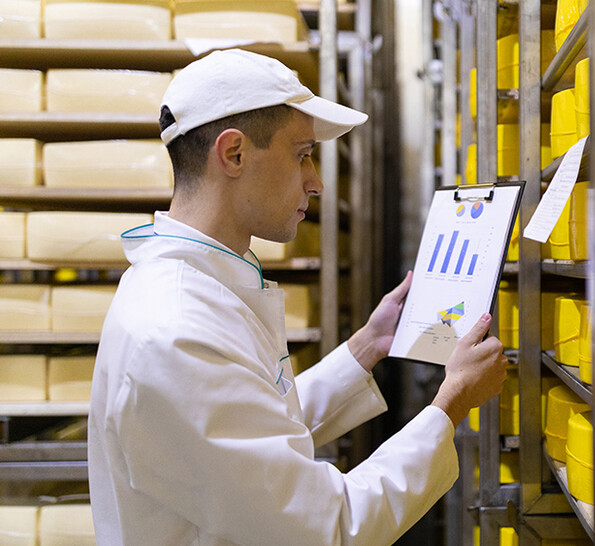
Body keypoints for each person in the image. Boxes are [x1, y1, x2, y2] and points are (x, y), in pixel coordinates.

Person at [88, 49, 508, 545]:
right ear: (234, 154)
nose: (317, 182)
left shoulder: (199, 288)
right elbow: (329, 526)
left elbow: (254, 426)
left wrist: (366, 347)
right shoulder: (176, 330)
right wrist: (452, 403)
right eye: (303, 154)